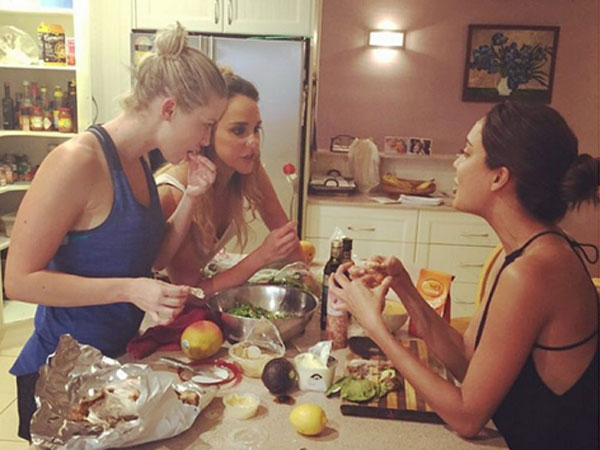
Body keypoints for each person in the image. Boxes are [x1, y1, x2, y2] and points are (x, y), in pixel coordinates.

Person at [329, 101, 599, 450]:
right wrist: (404, 286)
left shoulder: (533, 272)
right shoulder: (520, 252)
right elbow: (467, 360)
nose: (456, 164)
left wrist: (374, 327)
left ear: (499, 177)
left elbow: (467, 417)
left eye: (466, 153)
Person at [5, 23, 228, 441]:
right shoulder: (77, 161)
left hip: (112, 365)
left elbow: (154, 257)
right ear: (169, 108)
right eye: (206, 124)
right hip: (59, 378)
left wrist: (192, 196)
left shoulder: (140, 161)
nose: (205, 139)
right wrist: (130, 290)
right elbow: (18, 281)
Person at [155, 70, 301, 295]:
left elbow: (285, 234)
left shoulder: (246, 168)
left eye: (256, 129)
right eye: (239, 131)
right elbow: (191, 290)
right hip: (166, 305)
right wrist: (262, 255)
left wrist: (306, 280)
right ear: (206, 132)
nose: (253, 142)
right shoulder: (175, 192)